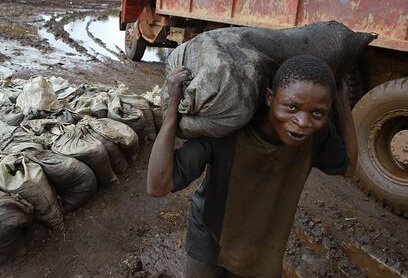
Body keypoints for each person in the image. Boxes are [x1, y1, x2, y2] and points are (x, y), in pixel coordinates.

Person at [147, 55, 358, 278]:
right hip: (210, 240)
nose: (303, 122)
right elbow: (158, 185)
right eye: (291, 106)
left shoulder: (317, 137)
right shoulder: (228, 130)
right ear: (269, 97)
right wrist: (173, 104)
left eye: (317, 113)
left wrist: (343, 104)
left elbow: (350, 167)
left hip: (261, 249)